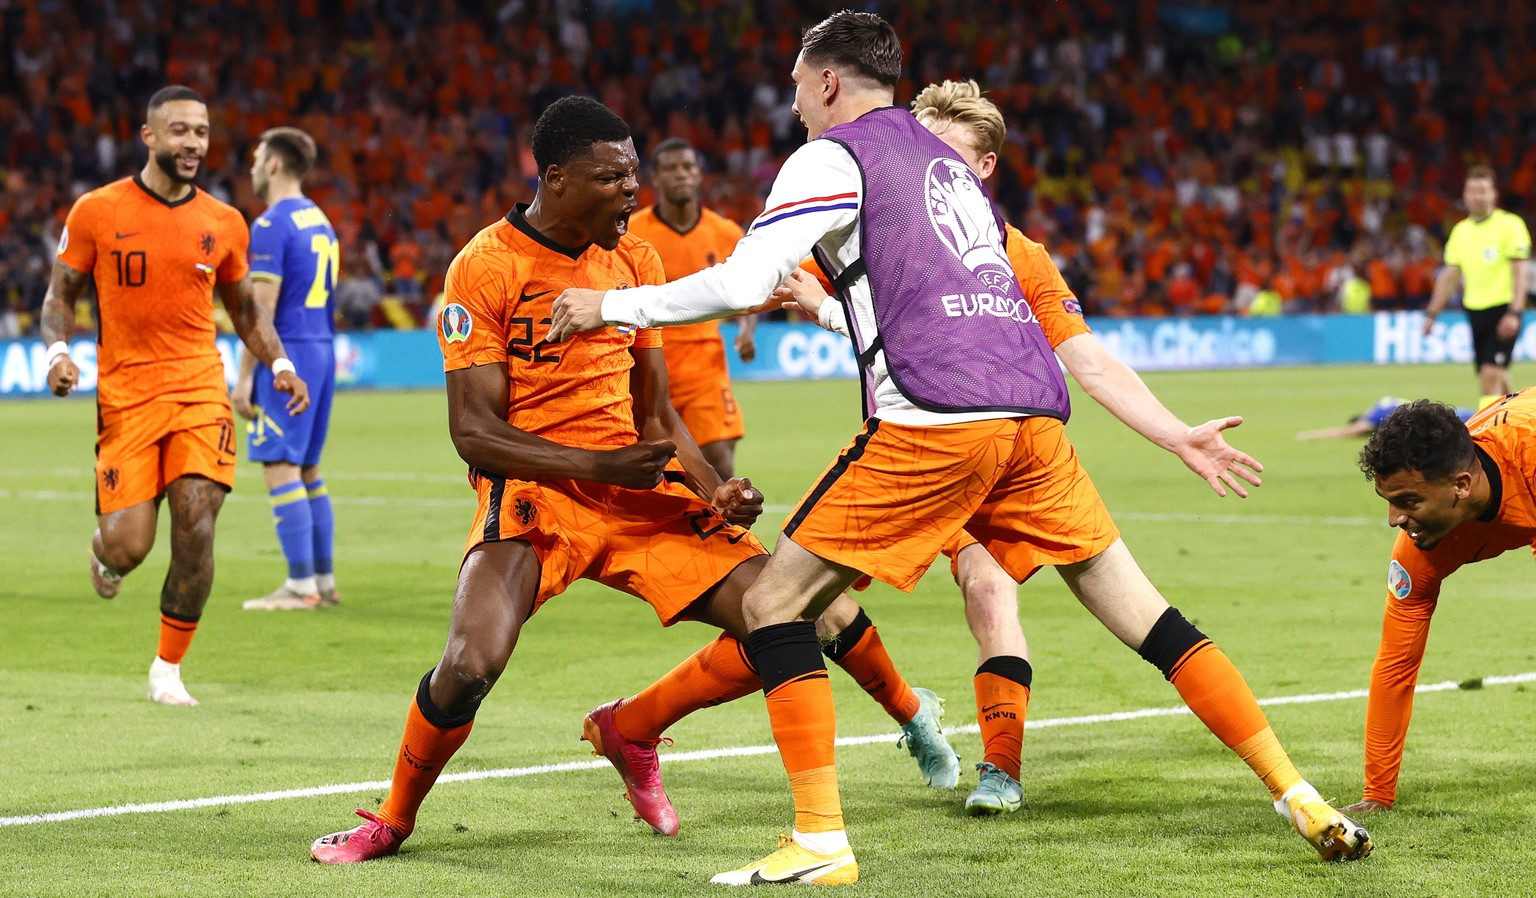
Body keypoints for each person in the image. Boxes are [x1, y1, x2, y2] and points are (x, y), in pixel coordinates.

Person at [550, 14, 1372, 883]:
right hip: (1030, 422)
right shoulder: (947, 166)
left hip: (936, 425)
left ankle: (821, 839)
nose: (791, 105)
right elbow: (937, 305)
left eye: (796, 84)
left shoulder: (836, 157)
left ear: (828, 81)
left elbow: (746, 278)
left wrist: (613, 308)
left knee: (777, 603)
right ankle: (1297, 792)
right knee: (1152, 620)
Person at [307, 96, 953, 866]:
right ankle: (393, 819)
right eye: (612, 177)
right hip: (535, 491)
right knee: (471, 663)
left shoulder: (635, 260)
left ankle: (633, 727)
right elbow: (474, 435)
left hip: (636, 489)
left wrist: (714, 487)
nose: (631, 192)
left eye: (634, 175)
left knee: (784, 617)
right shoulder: (484, 266)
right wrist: (592, 466)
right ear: (556, 177)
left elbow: (658, 411)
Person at [39, 86, 309, 706]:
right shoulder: (95, 212)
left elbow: (245, 309)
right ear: (150, 136)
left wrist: (280, 364)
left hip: (198, 392)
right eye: (181, 131)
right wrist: (58, 353)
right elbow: (61, 296)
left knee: (197, 525)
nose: (194, 143)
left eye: (203, 132)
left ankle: (168, 667)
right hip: (126, 397)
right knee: (131, 545)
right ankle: (105, 556)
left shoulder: (224, 222)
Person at [1345, 394, 1536, 814]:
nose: (1394, 519)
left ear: (1461, 485)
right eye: (1389, 502)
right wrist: (1378, 792)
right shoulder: (1419, 551)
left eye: (1408, 501)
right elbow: (1396, 664)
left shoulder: (1530, 461)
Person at [232, 126, 342, 611]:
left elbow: (260, 311)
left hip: (289, 351)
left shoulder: (271, 224)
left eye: (257, 158)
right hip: (321, 348)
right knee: (308, 468)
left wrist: (242, 379)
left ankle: (300, 586)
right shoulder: (320, 221)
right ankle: (323, 577)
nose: (253, 166)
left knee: (279, 466)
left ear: (274, 163)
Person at [627, 138, 755, 479]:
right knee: (652, 469)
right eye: (671, 168)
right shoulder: (633, 235)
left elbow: (753, 289)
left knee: (719, 461)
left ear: (699, 175)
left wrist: (746, 332)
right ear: (655, 178)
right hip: (649, 365)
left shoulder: (724, 232)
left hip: (704, 367)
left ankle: (729, 533)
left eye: (688, 167)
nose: (680, 175)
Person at [1423, 166, 1530, 409]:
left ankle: (1484, 442)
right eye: (1472, 190)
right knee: (1496, 373)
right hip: (1474, 310)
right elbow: (1449, 276)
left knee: (1489, 376)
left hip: (1502, 309)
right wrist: (1431, 314)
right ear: (1465, 194)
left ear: (1494, 194)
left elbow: (1520, 272)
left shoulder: (1510, 225)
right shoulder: (1461, 231)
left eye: (1482, 190)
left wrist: (1514, 311)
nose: (1477, 196)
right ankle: (1520, 423)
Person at [1297, 396, 1474, 441]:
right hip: (1451, 415)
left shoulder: (1375, 416)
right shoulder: (1384, 406)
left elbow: (1347, 432)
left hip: (1453, 421)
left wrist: (1310, 435)